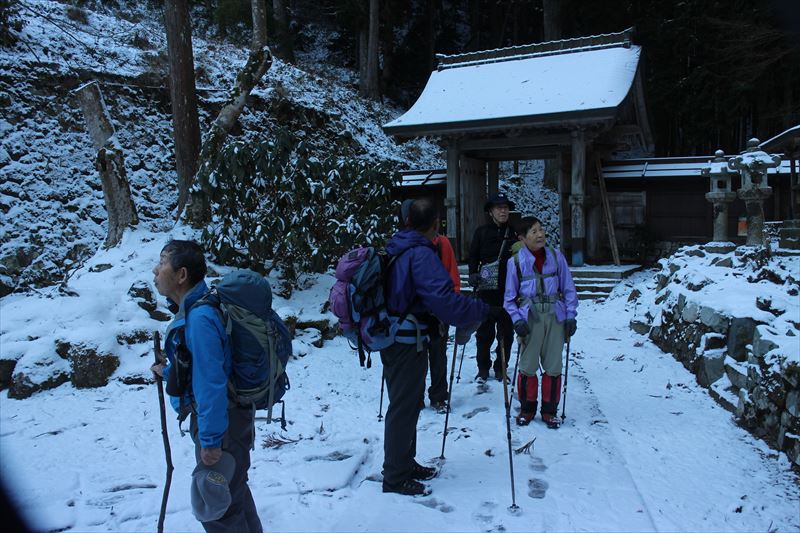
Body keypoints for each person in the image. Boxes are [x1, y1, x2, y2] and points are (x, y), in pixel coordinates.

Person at [382, 198, 493, 496]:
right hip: (406, 341)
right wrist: (480, 311)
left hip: (400, 338)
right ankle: (394, 477)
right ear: (436, 224)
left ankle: (405, 463)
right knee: (404, 408)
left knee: (408, 404)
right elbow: (445, 301)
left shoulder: (398, 245)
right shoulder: (419, 254)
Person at [151, 240, 263, 532]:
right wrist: (170, 373)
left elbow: (211, 382)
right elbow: (202, 367)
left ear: (181, 275)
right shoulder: (197, 309)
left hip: (220, 424)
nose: (155, 270)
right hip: (228, 419)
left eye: (162, 262)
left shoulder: (199, 317)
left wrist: (211, 440)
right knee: (233, 496)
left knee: (217, 510)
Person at [503, 217, 578, 429]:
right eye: (534, 232)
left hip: (555, 314)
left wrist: (571, 315)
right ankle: (527, 409)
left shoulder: (556, 257)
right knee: (527, 365)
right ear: (522, 238)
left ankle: (549, 411)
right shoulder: (515, 263)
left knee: (554, 364)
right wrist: (517, 320)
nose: (540, 235)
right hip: (530, 316)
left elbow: (569, 288)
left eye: (541, 230)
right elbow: (509, 298)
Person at [400, 199, 461, 413]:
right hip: (414, 313)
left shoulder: (441, 243)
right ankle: (421, 396)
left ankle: (437, 396)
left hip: (433, 312)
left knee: (436, 355)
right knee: (419, 358)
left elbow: (452, 275)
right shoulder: (403, 245)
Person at [468, 192, 518, 382]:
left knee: (506, 332)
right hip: (486, 289)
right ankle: (482, 368)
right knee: (484, 332)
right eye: (499, 207)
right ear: (491, 211)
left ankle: (501, 368)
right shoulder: (481, 232)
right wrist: (473, 274)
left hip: (509, 290)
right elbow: (473, 256)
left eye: (505, 207)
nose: (503, 211)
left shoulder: (514, 233)